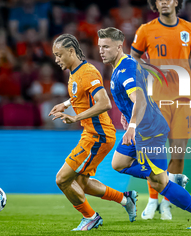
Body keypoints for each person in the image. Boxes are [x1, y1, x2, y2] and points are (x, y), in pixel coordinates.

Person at [97, 27, 191, 229]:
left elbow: (140, 99)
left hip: (149, 131)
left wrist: (132, 125)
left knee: (158, 184)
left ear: (119, 46)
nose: (101, 51)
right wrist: (128, 116)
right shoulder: (122, 66)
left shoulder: (125, 69)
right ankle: (168, 175)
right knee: (118, 163)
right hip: (143, 127)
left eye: (106, 47)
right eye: (100, 46)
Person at [130, 0, 191, 220]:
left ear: (176, 2)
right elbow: (133, 59)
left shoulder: (190, 29)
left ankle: (167, 202)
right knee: (152, 154)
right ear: (155, 4)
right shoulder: (145, 30)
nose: (164, 2)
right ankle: (152, 201)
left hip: (183, 100)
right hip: (155, 101)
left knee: (178, 154)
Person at [48, 34, 137, 231]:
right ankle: (125, 199)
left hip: (98, 135)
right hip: (92, 133)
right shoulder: (75, 72)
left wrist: (75, 118)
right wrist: (64, 104)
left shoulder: (87, 72)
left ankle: (91, 217)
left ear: (71, 51)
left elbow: (104, 102)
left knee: (62, 179)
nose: (56, 60)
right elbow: (80, 95)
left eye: (59, 55)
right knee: (82, 183)